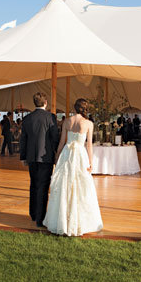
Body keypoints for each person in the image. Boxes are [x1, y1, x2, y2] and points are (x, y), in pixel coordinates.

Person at [43, 98, 103, 236]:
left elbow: (61, 142)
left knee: (65, 185)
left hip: (67, 154)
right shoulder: (88, 123)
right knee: (81, 186)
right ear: (85, 109)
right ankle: (77, 220)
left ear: (75, 108)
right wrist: (90, 162)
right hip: (80, 155)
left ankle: (62, 220)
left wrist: (57, 157)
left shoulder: (67, 121)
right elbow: (89, 145)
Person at [19, 92, 59, 227]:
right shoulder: (50, 117)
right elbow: (54, 138)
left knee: (33, 184)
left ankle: (33, 213)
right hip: (45, 157)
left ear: (34, 103)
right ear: (45, 102)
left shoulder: (27, 118)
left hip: (31, 157)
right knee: (43, 187)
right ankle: (40, 219)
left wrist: (23, 156)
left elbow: (23, 139)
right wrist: (56, 154)